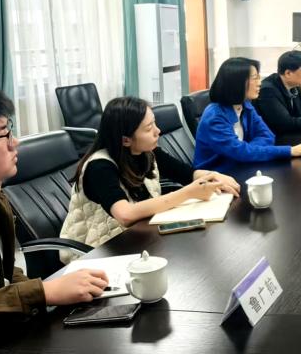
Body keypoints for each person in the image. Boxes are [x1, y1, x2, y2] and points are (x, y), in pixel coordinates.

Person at [0, 82, 109, 338]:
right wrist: (43, 292)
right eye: (3, 134)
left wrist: (48, 293)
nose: (14, 143)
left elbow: (2, 272)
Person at [59, 97, 240, 260]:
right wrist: (188, 193)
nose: (158, 131)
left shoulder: (146, 152)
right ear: (125, 140)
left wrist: (213, 176)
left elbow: (186, 173)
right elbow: (125, 215)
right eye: (148, 128)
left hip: (139, 239)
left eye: (154, 123)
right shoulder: (99, 167)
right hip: (100, 252)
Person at [194, 57, 301, 174]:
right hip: (217, 176)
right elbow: (240, 152)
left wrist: (248, 151)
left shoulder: (246, 105)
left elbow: (267, 136)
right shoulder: (214, 116)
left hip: (243, 166)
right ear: (237, 82)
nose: (259, 83)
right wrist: (289, 151)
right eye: (255, 78)